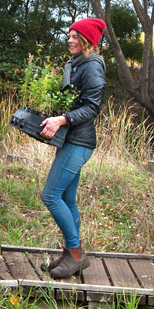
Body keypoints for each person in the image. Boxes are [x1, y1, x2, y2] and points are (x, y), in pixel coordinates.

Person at [37, 18, 107, 280]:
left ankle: (76, 255)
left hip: (80, 142)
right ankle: (69, 253)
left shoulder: (91, 67)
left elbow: (91, 108)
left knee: (50, 195)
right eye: (70, 35)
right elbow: (71, 100)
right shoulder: (75, 64)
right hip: (70, 139)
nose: (70, 39)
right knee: (66, 198)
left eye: (76, 36)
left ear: (88, 41)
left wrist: (61, 119)